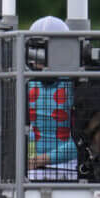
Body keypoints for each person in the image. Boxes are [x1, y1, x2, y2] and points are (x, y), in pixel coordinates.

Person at [27, 16, 77, 181]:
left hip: (71, 168)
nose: (42, 61)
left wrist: (40, 160)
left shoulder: (76, 84)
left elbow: (82, 141)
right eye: (39, 52)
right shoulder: (24, 82)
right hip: (32, 168)